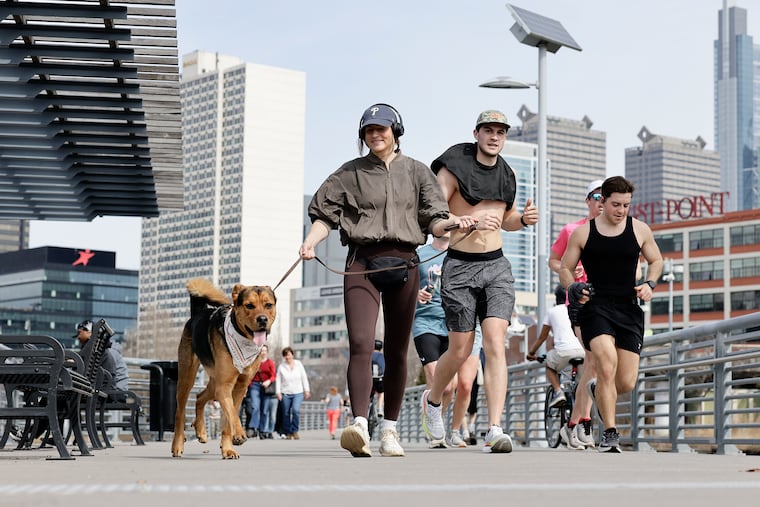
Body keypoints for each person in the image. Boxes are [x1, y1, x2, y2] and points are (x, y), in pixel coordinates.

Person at [300, 103, 467, 458]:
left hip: (406, 262)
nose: (375, 135)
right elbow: (323, 217)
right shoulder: (349, 173)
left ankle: (389, 431)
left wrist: (450, 224)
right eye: (368, 131)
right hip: (362, 261)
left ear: (396, 131)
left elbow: (435, 220)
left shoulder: (418, 172)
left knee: (395, 350)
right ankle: (360, 424)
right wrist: (311, 242)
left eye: (382, 129)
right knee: (361, 342)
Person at [421, 110, 538, 453]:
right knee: (459, 349)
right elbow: (435, 218)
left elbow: (507, 220)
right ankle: (432, 400)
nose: (494, 136)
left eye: (500, 132)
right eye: (488, 130)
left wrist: (524, 219)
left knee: (495, 342)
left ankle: (495, 428)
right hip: (459, 265)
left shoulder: (507, 173)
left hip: (497, 265)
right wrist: (466, 220)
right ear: (476, 132)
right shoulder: (453, 166)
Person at [559, 175, 663, 453]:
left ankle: (598, 391)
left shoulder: (639, 229)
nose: (621, 210)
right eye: (616, 204)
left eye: (626, 205)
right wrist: (574, 287)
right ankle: (610, 433)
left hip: (628, 308)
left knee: (625, 382)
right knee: (605, 365)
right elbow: (565, 268)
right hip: (596, 307)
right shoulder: (583, 233)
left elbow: (656, 260)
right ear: (601, 202)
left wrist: (649, 283)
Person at [548, 179, 603, 449]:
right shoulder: (573, 230)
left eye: (607, 197)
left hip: (609, 304)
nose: (602, 201)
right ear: (587, 200)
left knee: (596, 367)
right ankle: (583, 425)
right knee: (593, 362)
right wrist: (570, 275)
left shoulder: (618, 232)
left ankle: (573, 425)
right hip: (581, 303)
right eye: (597, 196)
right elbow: (554, 261)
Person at [413, 233, 482, 448]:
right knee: (437, 379)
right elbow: (405, 287)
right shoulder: (420, 255)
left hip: (456, 324)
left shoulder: (464, 252)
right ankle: (437, 431)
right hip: (425, 321)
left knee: (457, 386)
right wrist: (416, 294)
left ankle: (444, 428)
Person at [527, 286, 586, 410]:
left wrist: (531, 353)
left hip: (563, 352)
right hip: (583, 352)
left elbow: (542, 337)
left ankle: (558, 392)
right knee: (582, 385)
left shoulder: (552, 311)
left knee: (550, 364)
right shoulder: (579, 309)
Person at [275, 346, 310, 440]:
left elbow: (304, 377)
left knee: (295, 410)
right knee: (285, 413)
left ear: (292, 355)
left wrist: (307, 390)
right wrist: (278, 392)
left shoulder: (299, 364)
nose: (287, 357)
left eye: (289, 355)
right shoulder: (281, 366)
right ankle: (288, 432)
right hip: (285, 392)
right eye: (285, 355)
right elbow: (278, 380)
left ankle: (295, 430)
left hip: (298, 392)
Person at [247, 344, 276, 439]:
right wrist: (249, 384)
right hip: (255, 385)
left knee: (264, 410)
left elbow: (274, 375)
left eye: (264, 351)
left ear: (267, 352)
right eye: (261, 351)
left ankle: (263, 430)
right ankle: (252, 427)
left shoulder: (270, 363)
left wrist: (269, 381)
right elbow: (250, 374)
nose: (263, 353)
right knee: (255, 407)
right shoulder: (255, 362)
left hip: (266, 387)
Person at [370, 340, 385, 417]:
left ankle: (366, 410)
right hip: (379, 379)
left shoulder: (369, 355)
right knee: (381, 393)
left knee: (368, 394)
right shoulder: (382, 356)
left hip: (369, 379)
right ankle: (380, 408)